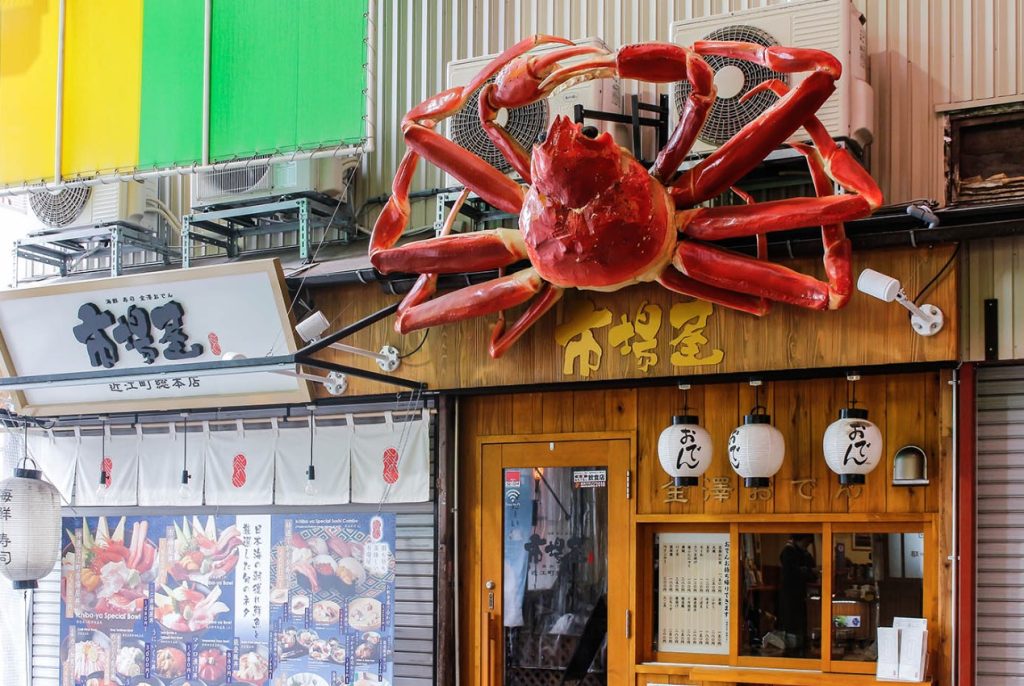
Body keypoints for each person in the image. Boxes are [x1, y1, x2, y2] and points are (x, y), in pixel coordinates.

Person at [778, 533, 818, 655]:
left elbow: (812, 570)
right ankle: (792, 651)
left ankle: (801, 649)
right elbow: (793, 573)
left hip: (801, 595)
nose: (809, 544)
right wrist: (809, 571)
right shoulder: (788, 552)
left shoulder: (803, 553)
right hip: (790, 595)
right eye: (808, 541)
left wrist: (810, 570)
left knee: (801, 623)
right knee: (792, 624)